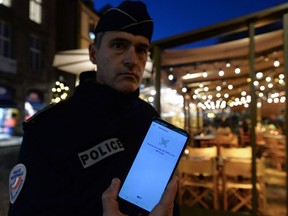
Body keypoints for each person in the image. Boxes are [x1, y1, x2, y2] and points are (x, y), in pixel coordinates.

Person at [8, 1, 178, 215]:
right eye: (118, 45)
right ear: (93, 54)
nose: (132, 60)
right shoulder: (49, 129)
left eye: (141, 49)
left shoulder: (150, 119)